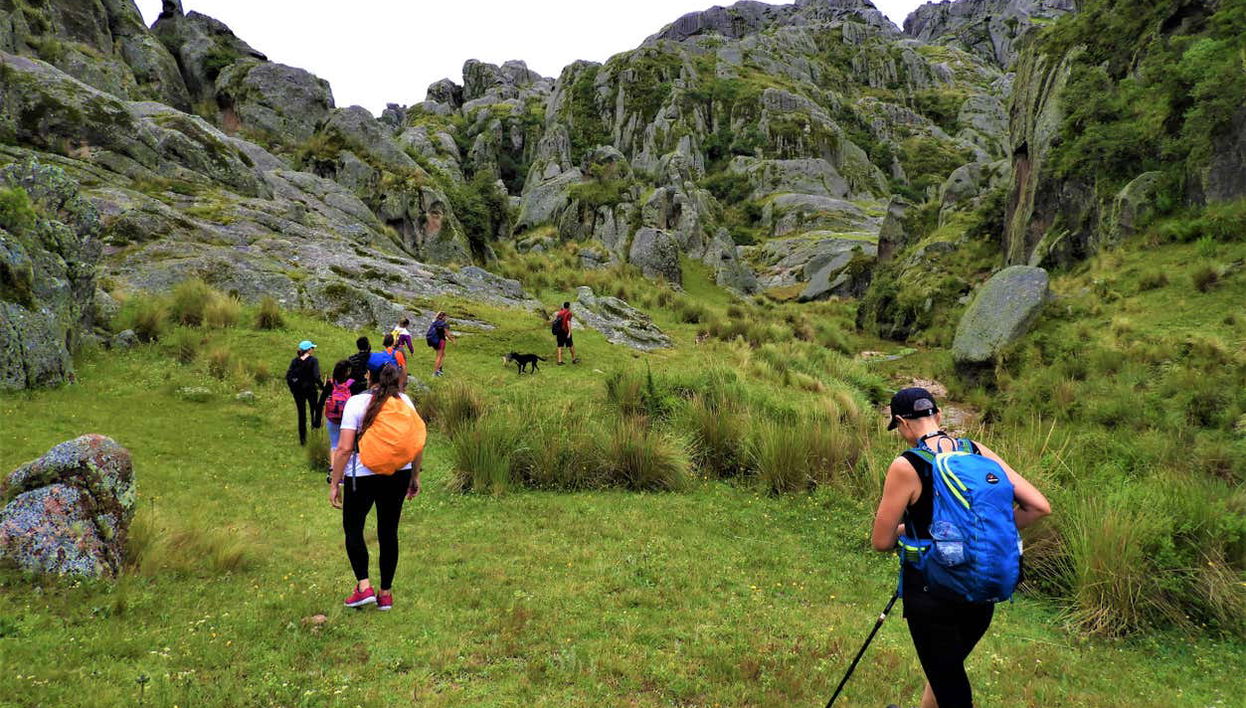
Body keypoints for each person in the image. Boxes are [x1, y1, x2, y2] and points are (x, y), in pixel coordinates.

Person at [872, 387, 1051, 708]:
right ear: (938, 416)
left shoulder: (907, 465)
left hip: (931, 595)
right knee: (943, 672)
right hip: (982, 588)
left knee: (949, 684)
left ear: (902, 423)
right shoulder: (977, 450)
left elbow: (881, 541)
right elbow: (1038, 507)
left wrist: (907, 531)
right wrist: (981, 537)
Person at [328, 363, 425, 611]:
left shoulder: (356, 403)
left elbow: (345, 448)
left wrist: (336, 482)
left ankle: (364, 587)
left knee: (353, 528)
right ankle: (385, 594)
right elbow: (416, 443)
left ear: (368, 376)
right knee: (388, 532)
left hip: (362, 475)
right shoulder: (406, 401)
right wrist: (414, 476)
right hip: (398, 473)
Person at [285, 340, 321, 445]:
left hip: (298, 391)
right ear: (308, 350)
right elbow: (316, 376)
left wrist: (293, 389)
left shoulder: (295, 361)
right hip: (311, 390)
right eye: (312, 348)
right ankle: (315, 436)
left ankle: (302, 440)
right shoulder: (313, 361)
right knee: (314, 412)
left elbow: (288, 376)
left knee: (302, 415)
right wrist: (322, 386)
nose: (313, 350)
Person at [320, 359, 354, 454]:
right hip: (348, 419)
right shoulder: (351, 384)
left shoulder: (330, 383)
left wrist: (317, 419)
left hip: (333, 418)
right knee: (347, 445)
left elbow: (321, 401)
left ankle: (333, 467)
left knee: (334, 445)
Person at [426, 312, 454, 377]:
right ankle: (435, 372)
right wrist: (453, 340)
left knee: (443, 355)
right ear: (444, 317)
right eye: (446, 317)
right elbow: (447, 333)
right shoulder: (444, 324)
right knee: (439, 356)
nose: (447, 318)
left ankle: (439, 369)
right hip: (440, 341)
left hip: (434, 340)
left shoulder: (435, 322)